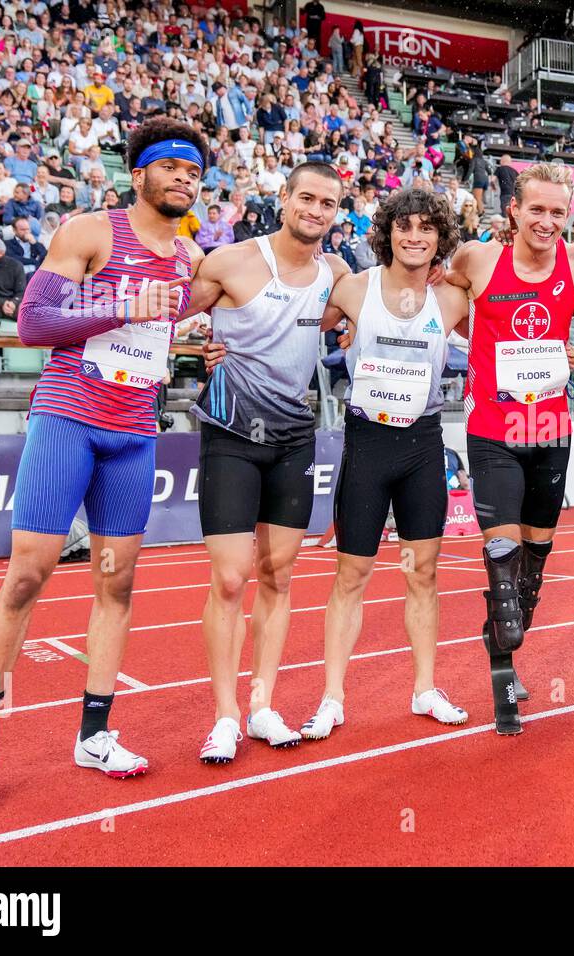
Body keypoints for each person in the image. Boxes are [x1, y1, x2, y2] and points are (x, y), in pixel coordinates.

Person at [0, 118, 206, 819]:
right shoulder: (91, 231)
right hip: (67, 418)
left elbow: (148, 336)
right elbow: (33, 324)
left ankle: (94, 733)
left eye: (195, 173)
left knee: (117, 587)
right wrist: (122, 302)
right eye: (172, 167)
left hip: (134, 431)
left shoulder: (187, 257)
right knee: (27, 575)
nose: (185, 179)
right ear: (140, 172)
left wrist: (188, 347)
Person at [289, 187, 473, 737]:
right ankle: (332, 698)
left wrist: (560, 349)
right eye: (404, 227)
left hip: (423, 446)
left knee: (424, 575)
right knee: (352, 574)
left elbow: (511, 327)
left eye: (426, 229)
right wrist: (223, 345)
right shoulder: (354, 288)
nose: (414, 237)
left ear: (439, 239)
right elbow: (294, 328)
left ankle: (424, 690)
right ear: (387, 232)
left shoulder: (453, 299)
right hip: (366, 444)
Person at [182, 162, 351, 763]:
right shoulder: (231, 261)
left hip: (294, 440)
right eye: (306, 197)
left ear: (336, 212)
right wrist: (199, 345)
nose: (315, 210)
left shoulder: (336, 273)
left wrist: (353, 333)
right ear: (284, 198)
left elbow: (358, 319)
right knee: (231, 578)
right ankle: (224, 715)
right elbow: (169, 315)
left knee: (279, 575)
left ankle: (260, 705)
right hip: (230, 432)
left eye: (327, 203)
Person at [444, 162, 574, 735]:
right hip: (492, 432)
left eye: (558, 212)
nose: (547, 221)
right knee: (503, 563)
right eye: (537, 209)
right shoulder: (479, 260)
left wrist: (562, 354)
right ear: (514, 210)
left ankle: (508, 642)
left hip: (551, 432)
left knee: (535, 564)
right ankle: (502, 666)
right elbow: (435, 295)